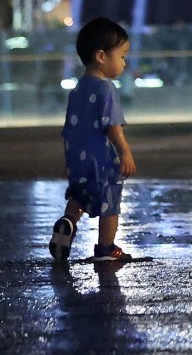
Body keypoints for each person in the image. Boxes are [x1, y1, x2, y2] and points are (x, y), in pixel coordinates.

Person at [49, 17, 137, 264]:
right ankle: (106, 248)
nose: (124, 62)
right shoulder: (105, 88)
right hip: (101, 160)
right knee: (110, 203)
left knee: (80, 196)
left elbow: (70, 127)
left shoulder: (78, 88)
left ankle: (68, 222)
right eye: (121, 56)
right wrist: (124, 152)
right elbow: (112, 125)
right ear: (101, 56)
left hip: (77, 158)